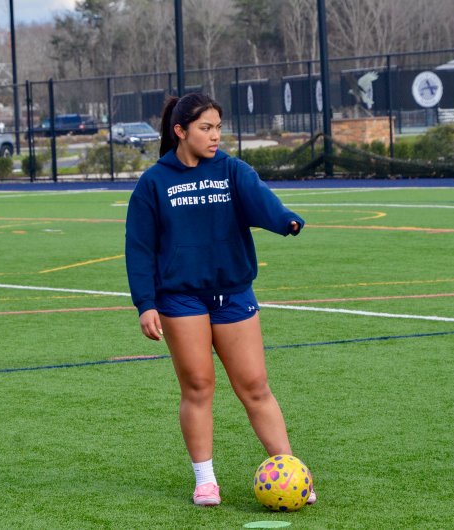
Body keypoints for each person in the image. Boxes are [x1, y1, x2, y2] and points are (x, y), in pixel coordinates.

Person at [124, 93, 315, 507]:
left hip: (233, 295)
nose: (215, 136)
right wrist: (146, 304)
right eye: (205, 128)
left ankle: (291, 472)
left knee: (255, 387)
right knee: (198, 387)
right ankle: (205, 480)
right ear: (181, 131)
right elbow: (138, 248)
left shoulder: (231, 170)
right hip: (180, 300)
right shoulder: (154, 183)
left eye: (218, 128)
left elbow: (263, 203)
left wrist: (286, 221)